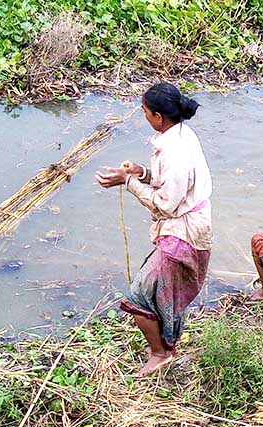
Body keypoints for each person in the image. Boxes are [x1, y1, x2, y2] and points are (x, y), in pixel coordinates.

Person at [95, 82, 212, 376]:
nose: (144, 115)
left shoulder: (175, 151)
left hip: (184, 230)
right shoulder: (181, 134)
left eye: (145, 111)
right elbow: (168, 182)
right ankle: (168, 345)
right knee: (165, 288)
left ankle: (160, 353)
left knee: (138, 295)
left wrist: (128, 182)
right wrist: (141, 172)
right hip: (187, 224)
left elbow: (166, 205)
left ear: (159, 116)